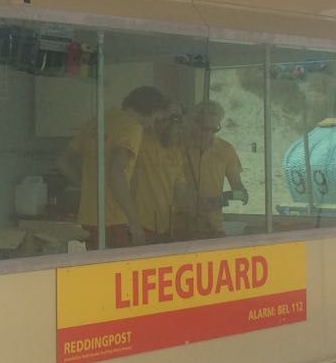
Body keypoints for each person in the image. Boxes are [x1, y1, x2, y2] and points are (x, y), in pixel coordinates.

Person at [60, 85, 168, 249]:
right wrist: (133, 220)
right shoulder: (132, 127)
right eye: (156, 119)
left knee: (97, 271)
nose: (152, 126)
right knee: (120, 272)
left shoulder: (96, 122)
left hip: (89, 216)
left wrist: (87, 186)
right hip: (115, 218)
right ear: (150, 111)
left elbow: (62, 162)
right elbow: (116, 173)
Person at [176, 100, 249, 239]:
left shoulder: (226, 149)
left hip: (213, 226)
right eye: (205, 128)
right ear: (194, 124)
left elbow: (240, 192)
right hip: (181, 225)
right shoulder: (179, 147)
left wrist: (221, 199)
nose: (209, 133)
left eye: (214, 129)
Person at [131, 101, 185, 244]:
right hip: (140, 227)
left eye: (180, 119)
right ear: (158, 117)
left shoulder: (175, 151)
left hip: (166, 229)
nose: (177, 123)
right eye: (173, 118)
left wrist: (195, 214)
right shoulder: (140, 140)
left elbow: (180, 190)